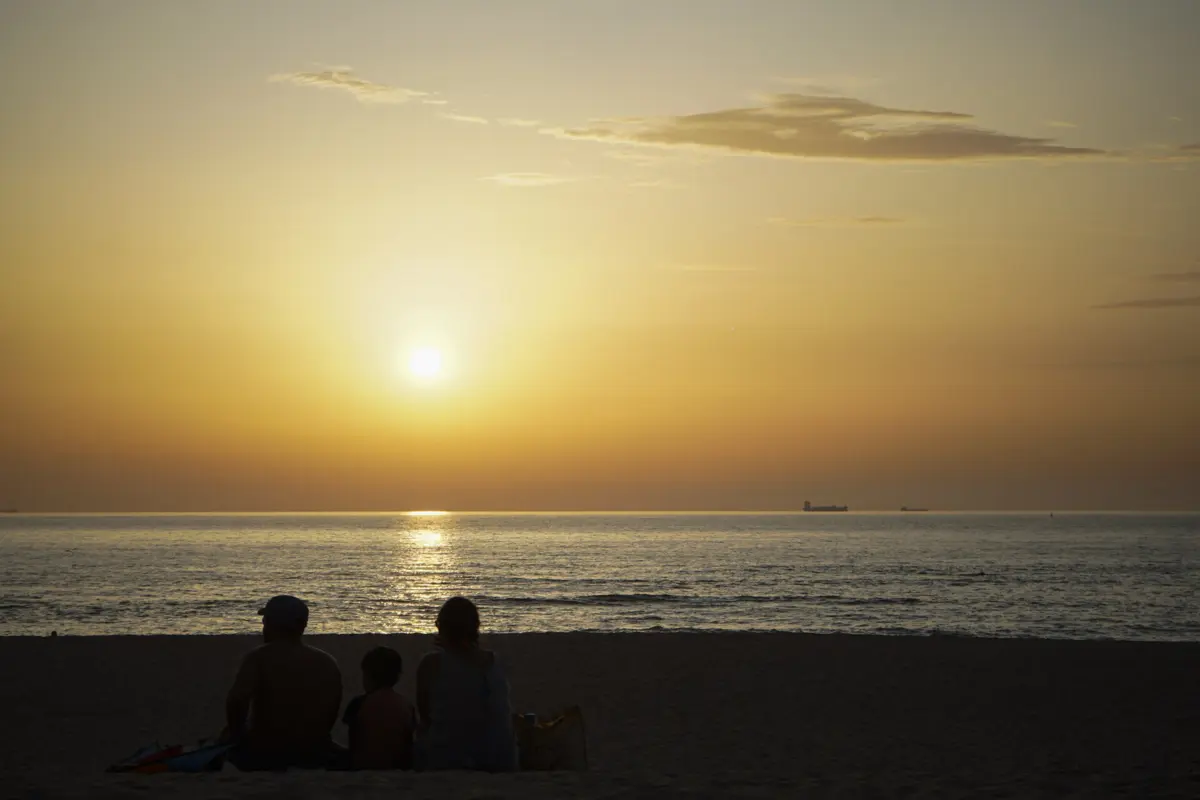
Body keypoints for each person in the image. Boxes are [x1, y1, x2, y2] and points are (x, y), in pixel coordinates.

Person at [222, 595, 343, 770]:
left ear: (271, 623)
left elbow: (237, 700)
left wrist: (237, 734)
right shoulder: (328, 663)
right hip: (314, 750)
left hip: (269, 750)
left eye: (265, 620)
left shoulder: (258, 658)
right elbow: (332, 710)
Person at [415, 597, 518, 771]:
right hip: (500, 758)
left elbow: (425, 716)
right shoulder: (495, 662)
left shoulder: (431, 664)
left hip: (449, 758)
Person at [343, 646, 416, 769]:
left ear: (368, 676)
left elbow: (354, 740)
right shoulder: (406, 704)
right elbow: (408, 739)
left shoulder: (359, 703)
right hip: (397, 765)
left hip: (364, 764)